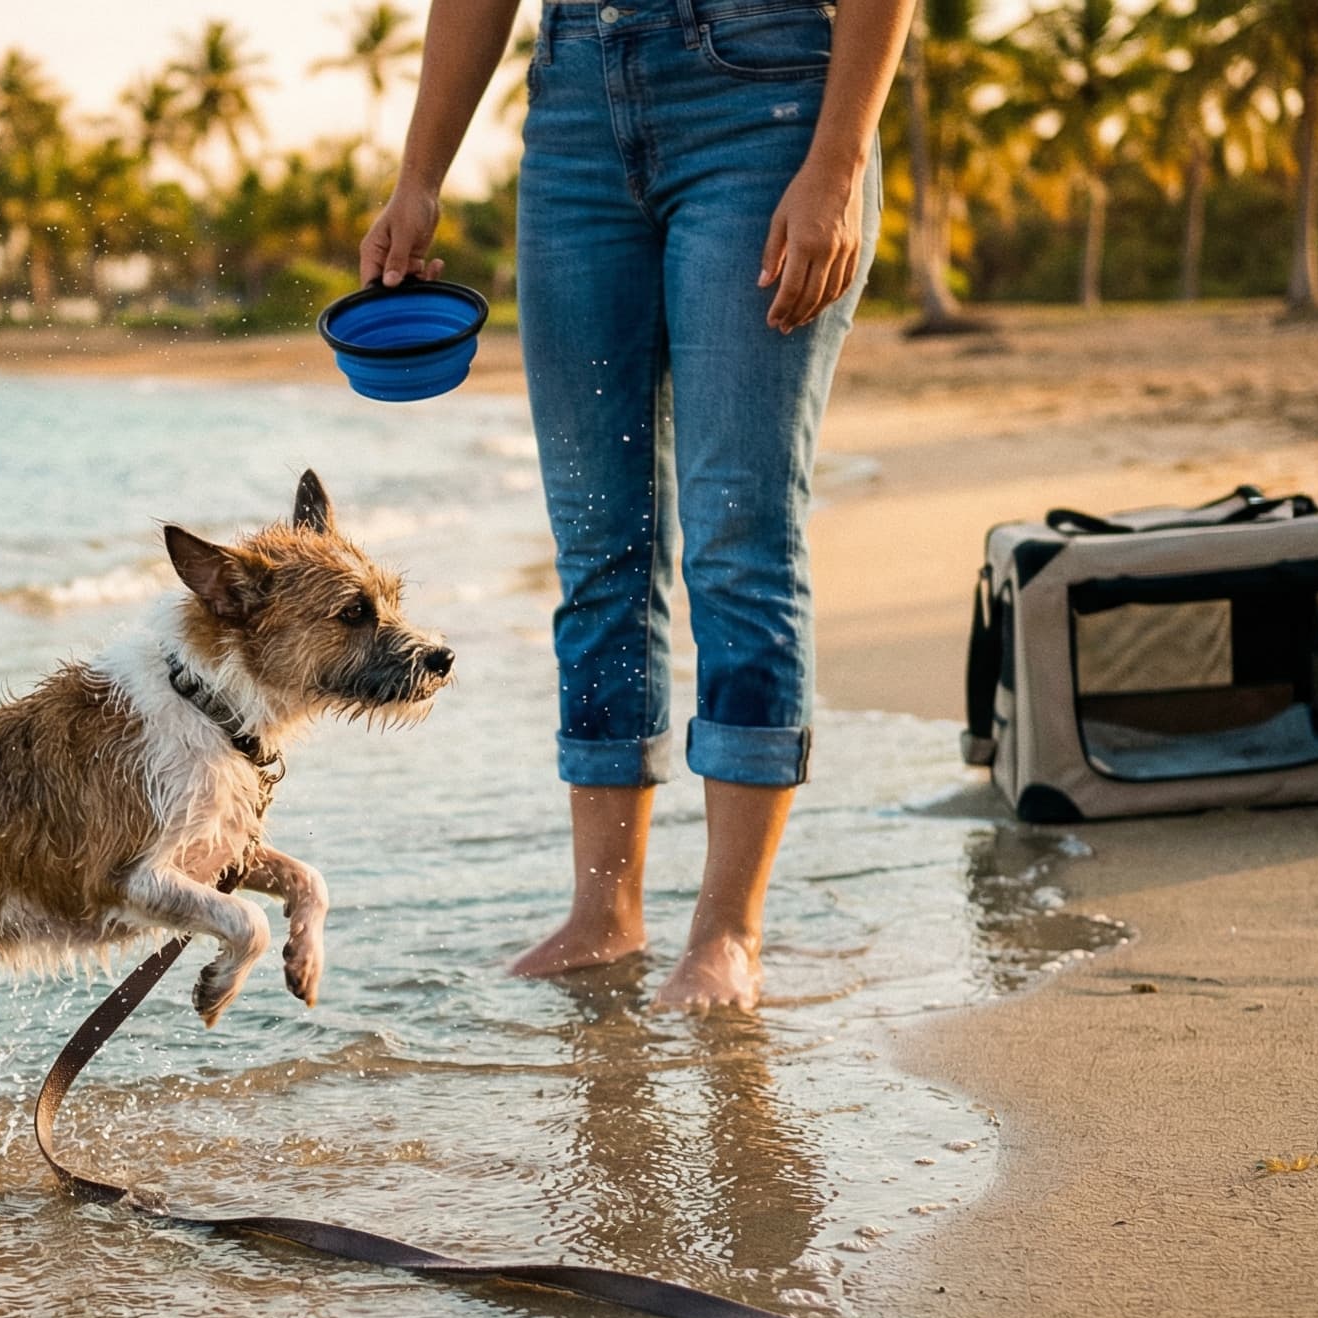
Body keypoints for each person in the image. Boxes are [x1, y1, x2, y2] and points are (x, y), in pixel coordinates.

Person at [362, 0, 911, 1011]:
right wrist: (418, 178)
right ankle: (603, 912)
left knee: (737, 534)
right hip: (574, 97)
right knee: (597, 546)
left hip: (767, 88)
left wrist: (837, 162)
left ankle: (727, 931)